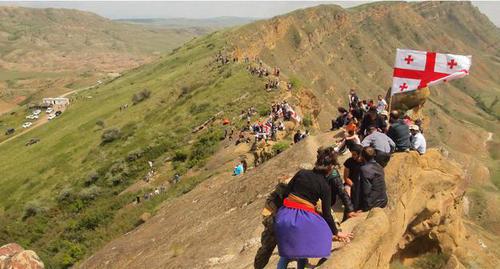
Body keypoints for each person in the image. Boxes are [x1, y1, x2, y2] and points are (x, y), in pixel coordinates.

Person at [274, 147, 353, 269]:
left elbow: (285, 194)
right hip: (303, 219)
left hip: (283, 216)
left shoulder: (301, 173)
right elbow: (327, 214)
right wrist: (337, 232)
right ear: (330, 167)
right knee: (317, 237)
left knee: (286, 254)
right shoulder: (325, 186)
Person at [359, 147, 388, 211]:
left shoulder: (364, 169)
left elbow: (366, 190)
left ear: (362, 157)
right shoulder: (379, 166)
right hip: (383, 200)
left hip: (373, 203)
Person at [343, 144, 364, 213]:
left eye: (354, 154)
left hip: (362, 183)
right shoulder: (349, 162)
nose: (352, 156)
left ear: (359, 154)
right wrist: (353, 185)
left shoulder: (364, 162)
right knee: (347, 193)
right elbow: (346, 177)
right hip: (350, 183)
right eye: (352, 154)